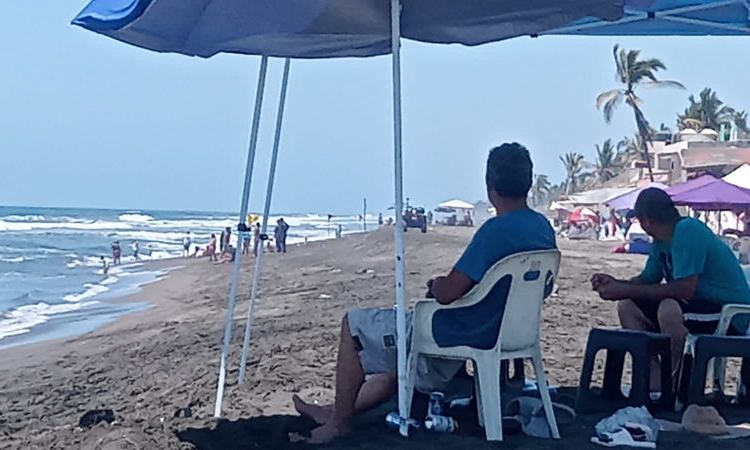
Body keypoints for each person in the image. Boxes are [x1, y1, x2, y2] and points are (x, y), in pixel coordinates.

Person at [290, 143, 556, 444]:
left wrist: (436, 284)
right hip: (511, 332)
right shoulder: (542, 228)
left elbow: (448, 293)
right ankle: (334, 410)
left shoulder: (495, 231)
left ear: (490, 185)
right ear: (529, 182)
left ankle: (338, 423)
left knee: (354, 326)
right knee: (393, 357)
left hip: (460, 334)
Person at [591, 188, 750, 391]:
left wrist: (624, 289)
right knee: (628, 307)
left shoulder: (688, 230)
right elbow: (648, 280)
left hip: (730, 313)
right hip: (696, 307)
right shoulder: (661, 242)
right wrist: (618, 285)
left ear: (645, 221)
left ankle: (674, 386)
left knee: (668, 309)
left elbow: (684, 290)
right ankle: (654, 382)